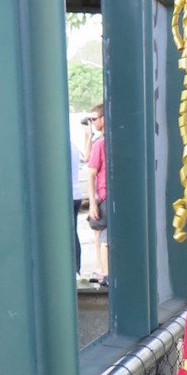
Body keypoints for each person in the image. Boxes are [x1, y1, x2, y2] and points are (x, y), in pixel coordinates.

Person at [86, 104, 109, 284]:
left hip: (104, 196)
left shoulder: (100, 144)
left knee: (101, 237)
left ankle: (103, 271)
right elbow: (91, 171)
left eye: (94, 119)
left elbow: (91, 172)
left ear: (103, 119)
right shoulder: (101, 143)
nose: (92, 122)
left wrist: (93, 202)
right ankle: (103, 270)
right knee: (101, 236)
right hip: (105, 196)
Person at [70, 140, 84, 276]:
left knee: (66, 233)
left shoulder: (58, 148)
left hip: (66, 195)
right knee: (73, 232)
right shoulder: (74, 146)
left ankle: (73, 269)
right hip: (76, 194)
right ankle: (76, 269)